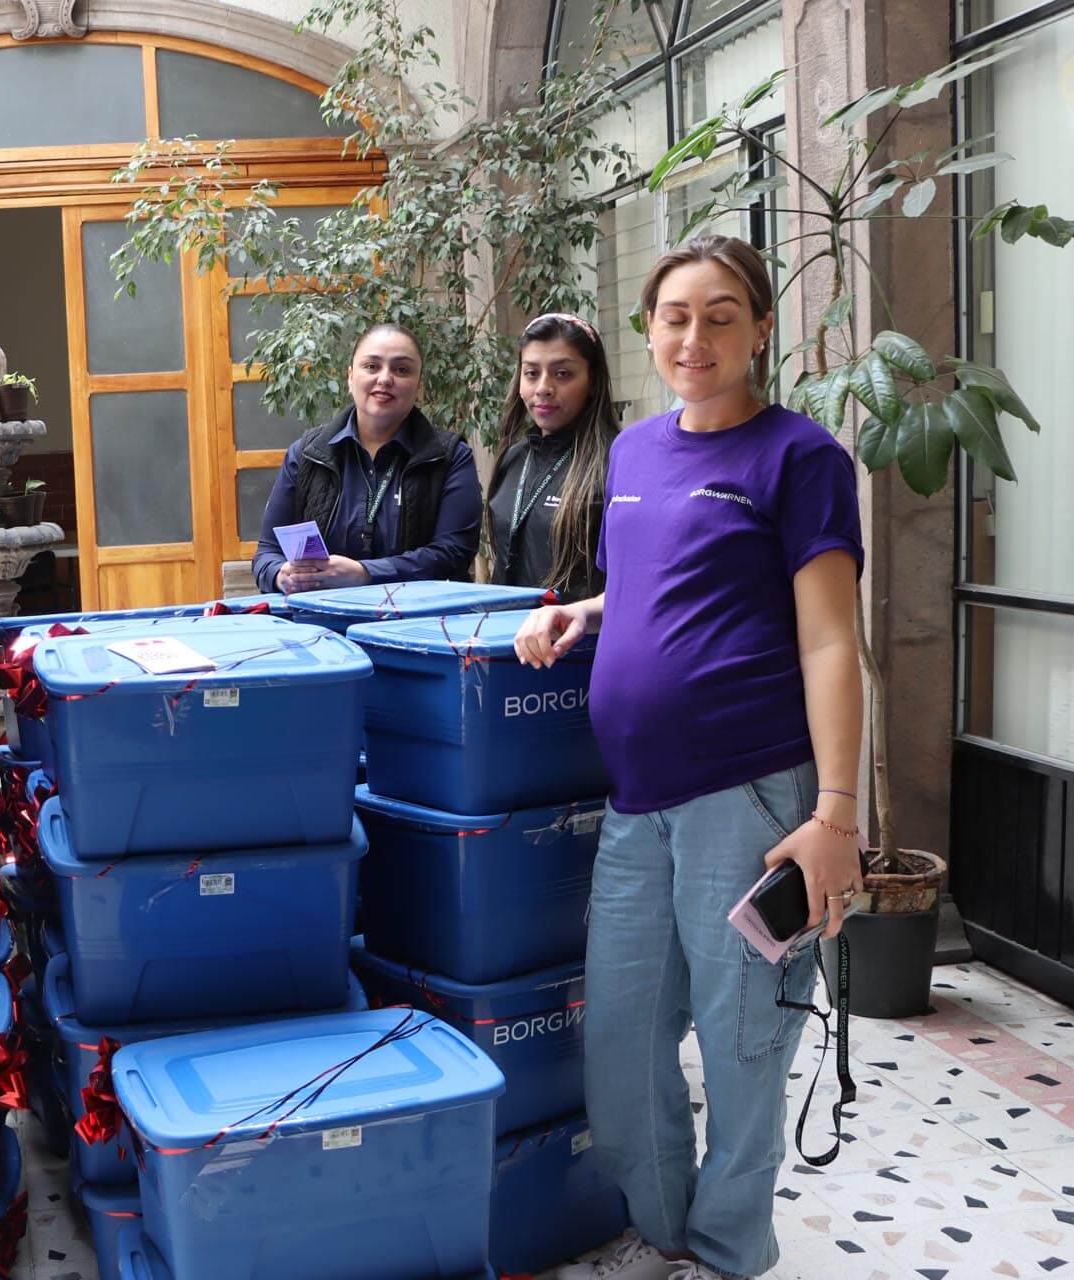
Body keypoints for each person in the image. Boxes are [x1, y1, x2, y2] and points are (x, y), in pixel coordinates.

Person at [514, 235, 865, 1280]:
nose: (694, 335)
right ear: (649, 329)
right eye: (674, 314)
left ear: (761, 329)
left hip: (752, 796)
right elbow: (661, 587)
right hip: (637, 801)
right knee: (621, 1045)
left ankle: (723, 1250)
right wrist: (583, 609)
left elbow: (830, 638)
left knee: (745, 1041)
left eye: (721, 314)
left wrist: (837, 812)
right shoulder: (632, 452)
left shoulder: (799, 457)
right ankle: (664, 1228)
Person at [251, 322, 481, 593]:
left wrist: (366, 573)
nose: (385, 379)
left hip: (414, 624)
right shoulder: (306, 454)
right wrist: (281, 575)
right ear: (350, 377)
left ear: (418, 386)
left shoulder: (450, 457)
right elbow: (267, 552)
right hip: (320, 622)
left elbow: (452, 553)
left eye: (401, 369)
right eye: (372, 366)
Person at [485, 312, 621, 602]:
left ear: (593, 382)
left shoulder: (618, 462)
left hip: (579, 642)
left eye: (562, 374)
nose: (543, 388)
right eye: (532, 373)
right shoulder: (514, 458)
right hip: (505, 637)